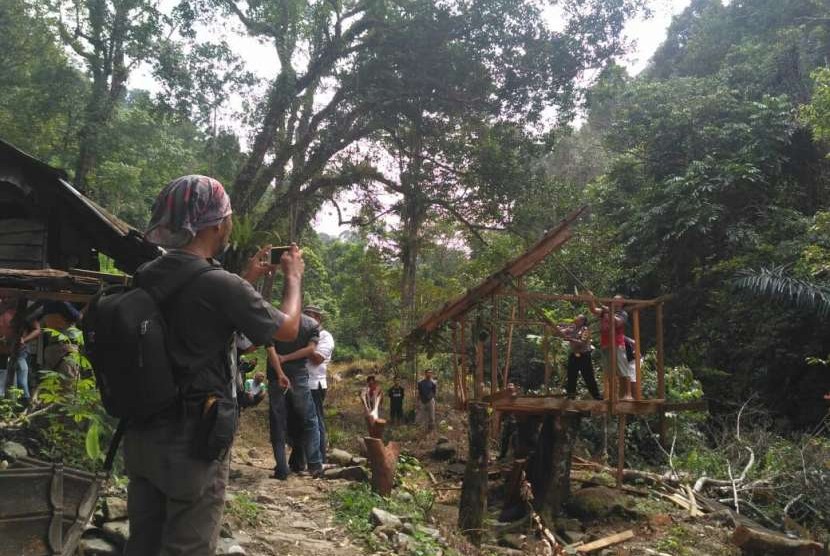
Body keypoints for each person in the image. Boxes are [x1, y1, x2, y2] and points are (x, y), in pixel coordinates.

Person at [123, 175, 305, 556]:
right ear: (218, 224)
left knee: (143, 543)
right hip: (193, 440)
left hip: (141, 432)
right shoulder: (220, 285)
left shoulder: (147, 273)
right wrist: (293, 279)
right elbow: (287, 329)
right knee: (187, 546)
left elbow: (203, 320)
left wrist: (248, 278)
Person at [272, 309, 323, 477]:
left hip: (275, 374)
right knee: (309, 419)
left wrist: (281, 363)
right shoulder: (311, 325)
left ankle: (281, 469)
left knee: (278, 420)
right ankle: (315, 465)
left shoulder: (274, 318)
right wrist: (288, 358)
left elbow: (269, 346)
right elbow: (310, 350)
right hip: (299, 375)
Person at [588, 292, 635, 400]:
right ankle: (612, 396)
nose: (614, 301)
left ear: (622, 302)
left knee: (623, 371)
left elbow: (618, 323)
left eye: (617, 300)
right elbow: (594, 310)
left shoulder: (622, 313)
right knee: (609, 372)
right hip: (605, 345)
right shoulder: (605, 311)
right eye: (613, 299)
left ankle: (627, 394)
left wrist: (609, 312)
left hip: (617, 345)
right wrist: (590, 299)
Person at [303, 306, 334, 464]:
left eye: (309, 316)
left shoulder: (325, 336)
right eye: (304, 316)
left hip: (316, 384)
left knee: (316, 421)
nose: (306, 320)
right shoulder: (305, 336)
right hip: (302, 383)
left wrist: (305, 347)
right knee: (304, 422)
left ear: (318, 319)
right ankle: (303, 460)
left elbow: (317, 359)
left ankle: (320, 458)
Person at [554, 315, 602, 400]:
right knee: (571, 375)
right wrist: (556, 327)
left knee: (588, 376)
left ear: (582, 321)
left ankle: (596, 396)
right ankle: (571, 395)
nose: (575, 318)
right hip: (574, 354)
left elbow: (582, 342)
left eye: (578, 318)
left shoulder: (585, 330)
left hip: (584, 355)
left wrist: (570, 339)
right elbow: (560, 332)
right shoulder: (572, 328)